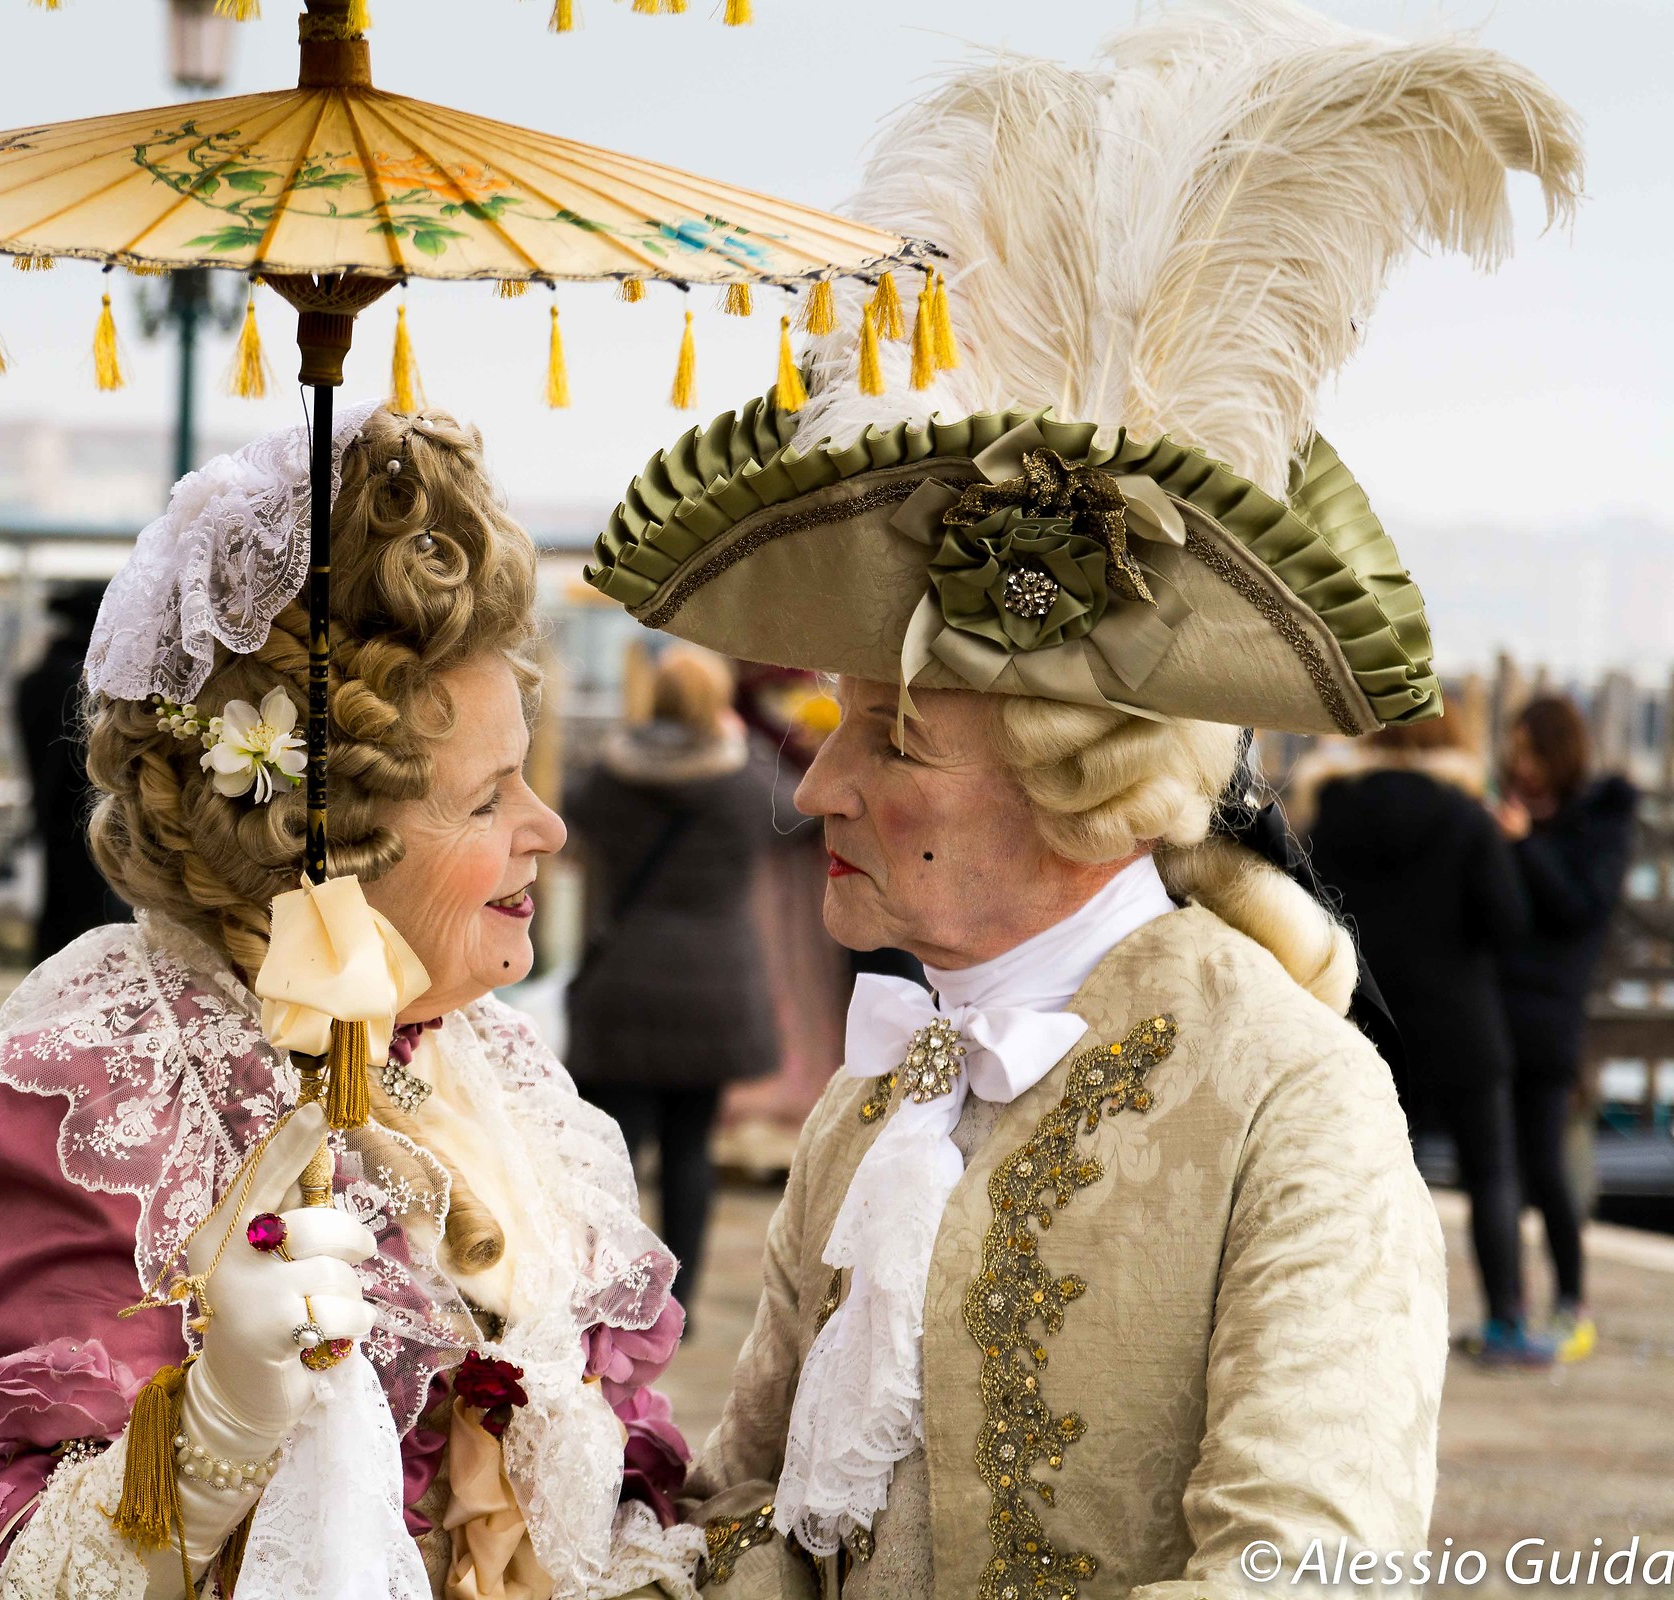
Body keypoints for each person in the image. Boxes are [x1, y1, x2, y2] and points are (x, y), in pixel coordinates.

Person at [582, 3, 1575, 1591]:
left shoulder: (1288, 1101)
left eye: (893, 737)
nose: (818, 783)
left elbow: (1304, 1567)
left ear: (1076, 778)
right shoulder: (873, 1103)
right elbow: (748, 1514)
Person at [0, 405, 700, 1600]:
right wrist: (216, 1428)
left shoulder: (506, 1076)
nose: (548, 828)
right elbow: (13, 1563)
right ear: (331, 851)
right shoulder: (96, 1090)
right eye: (486, 803)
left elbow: (621, 1455)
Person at [1306, 718, 1545, 1364]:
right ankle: (1504, 1325)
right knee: (1492, 1175)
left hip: (1371, 1025)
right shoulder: (1466, 818)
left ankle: (1374, 1327)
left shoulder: (1332, 815)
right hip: (1463, 1025)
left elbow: (1307, 916)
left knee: (1374, 1177)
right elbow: (1509, 923)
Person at [567, 645, 783, 1316]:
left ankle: (610, 1292)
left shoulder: (610, 774)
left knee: (618, 1151)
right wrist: (743, 745)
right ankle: (678, 1304)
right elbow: (797, 816)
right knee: (691, 1147)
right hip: (714, 986)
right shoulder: (744, 784)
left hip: (625, 980)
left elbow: (569, 811)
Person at [1496, 694, 1639, 1366]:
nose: (1519, 764)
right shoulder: (1520, 818)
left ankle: (1572, 1302)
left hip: (1552, 1015)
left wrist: (1524, 846)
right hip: (1499, 1010)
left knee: (1548, 1168)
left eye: (1530, 751)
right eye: (1514, 750)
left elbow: (1581, 907)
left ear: (1557, 752)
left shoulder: (1594, 824)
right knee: (1506, 1169)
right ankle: (1511, 1310)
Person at [16, 581, 124, 964]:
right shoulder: (88, 682)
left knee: (56, 908)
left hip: (50, 816)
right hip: (93, 812)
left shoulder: (33, 679)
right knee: (91, 912)